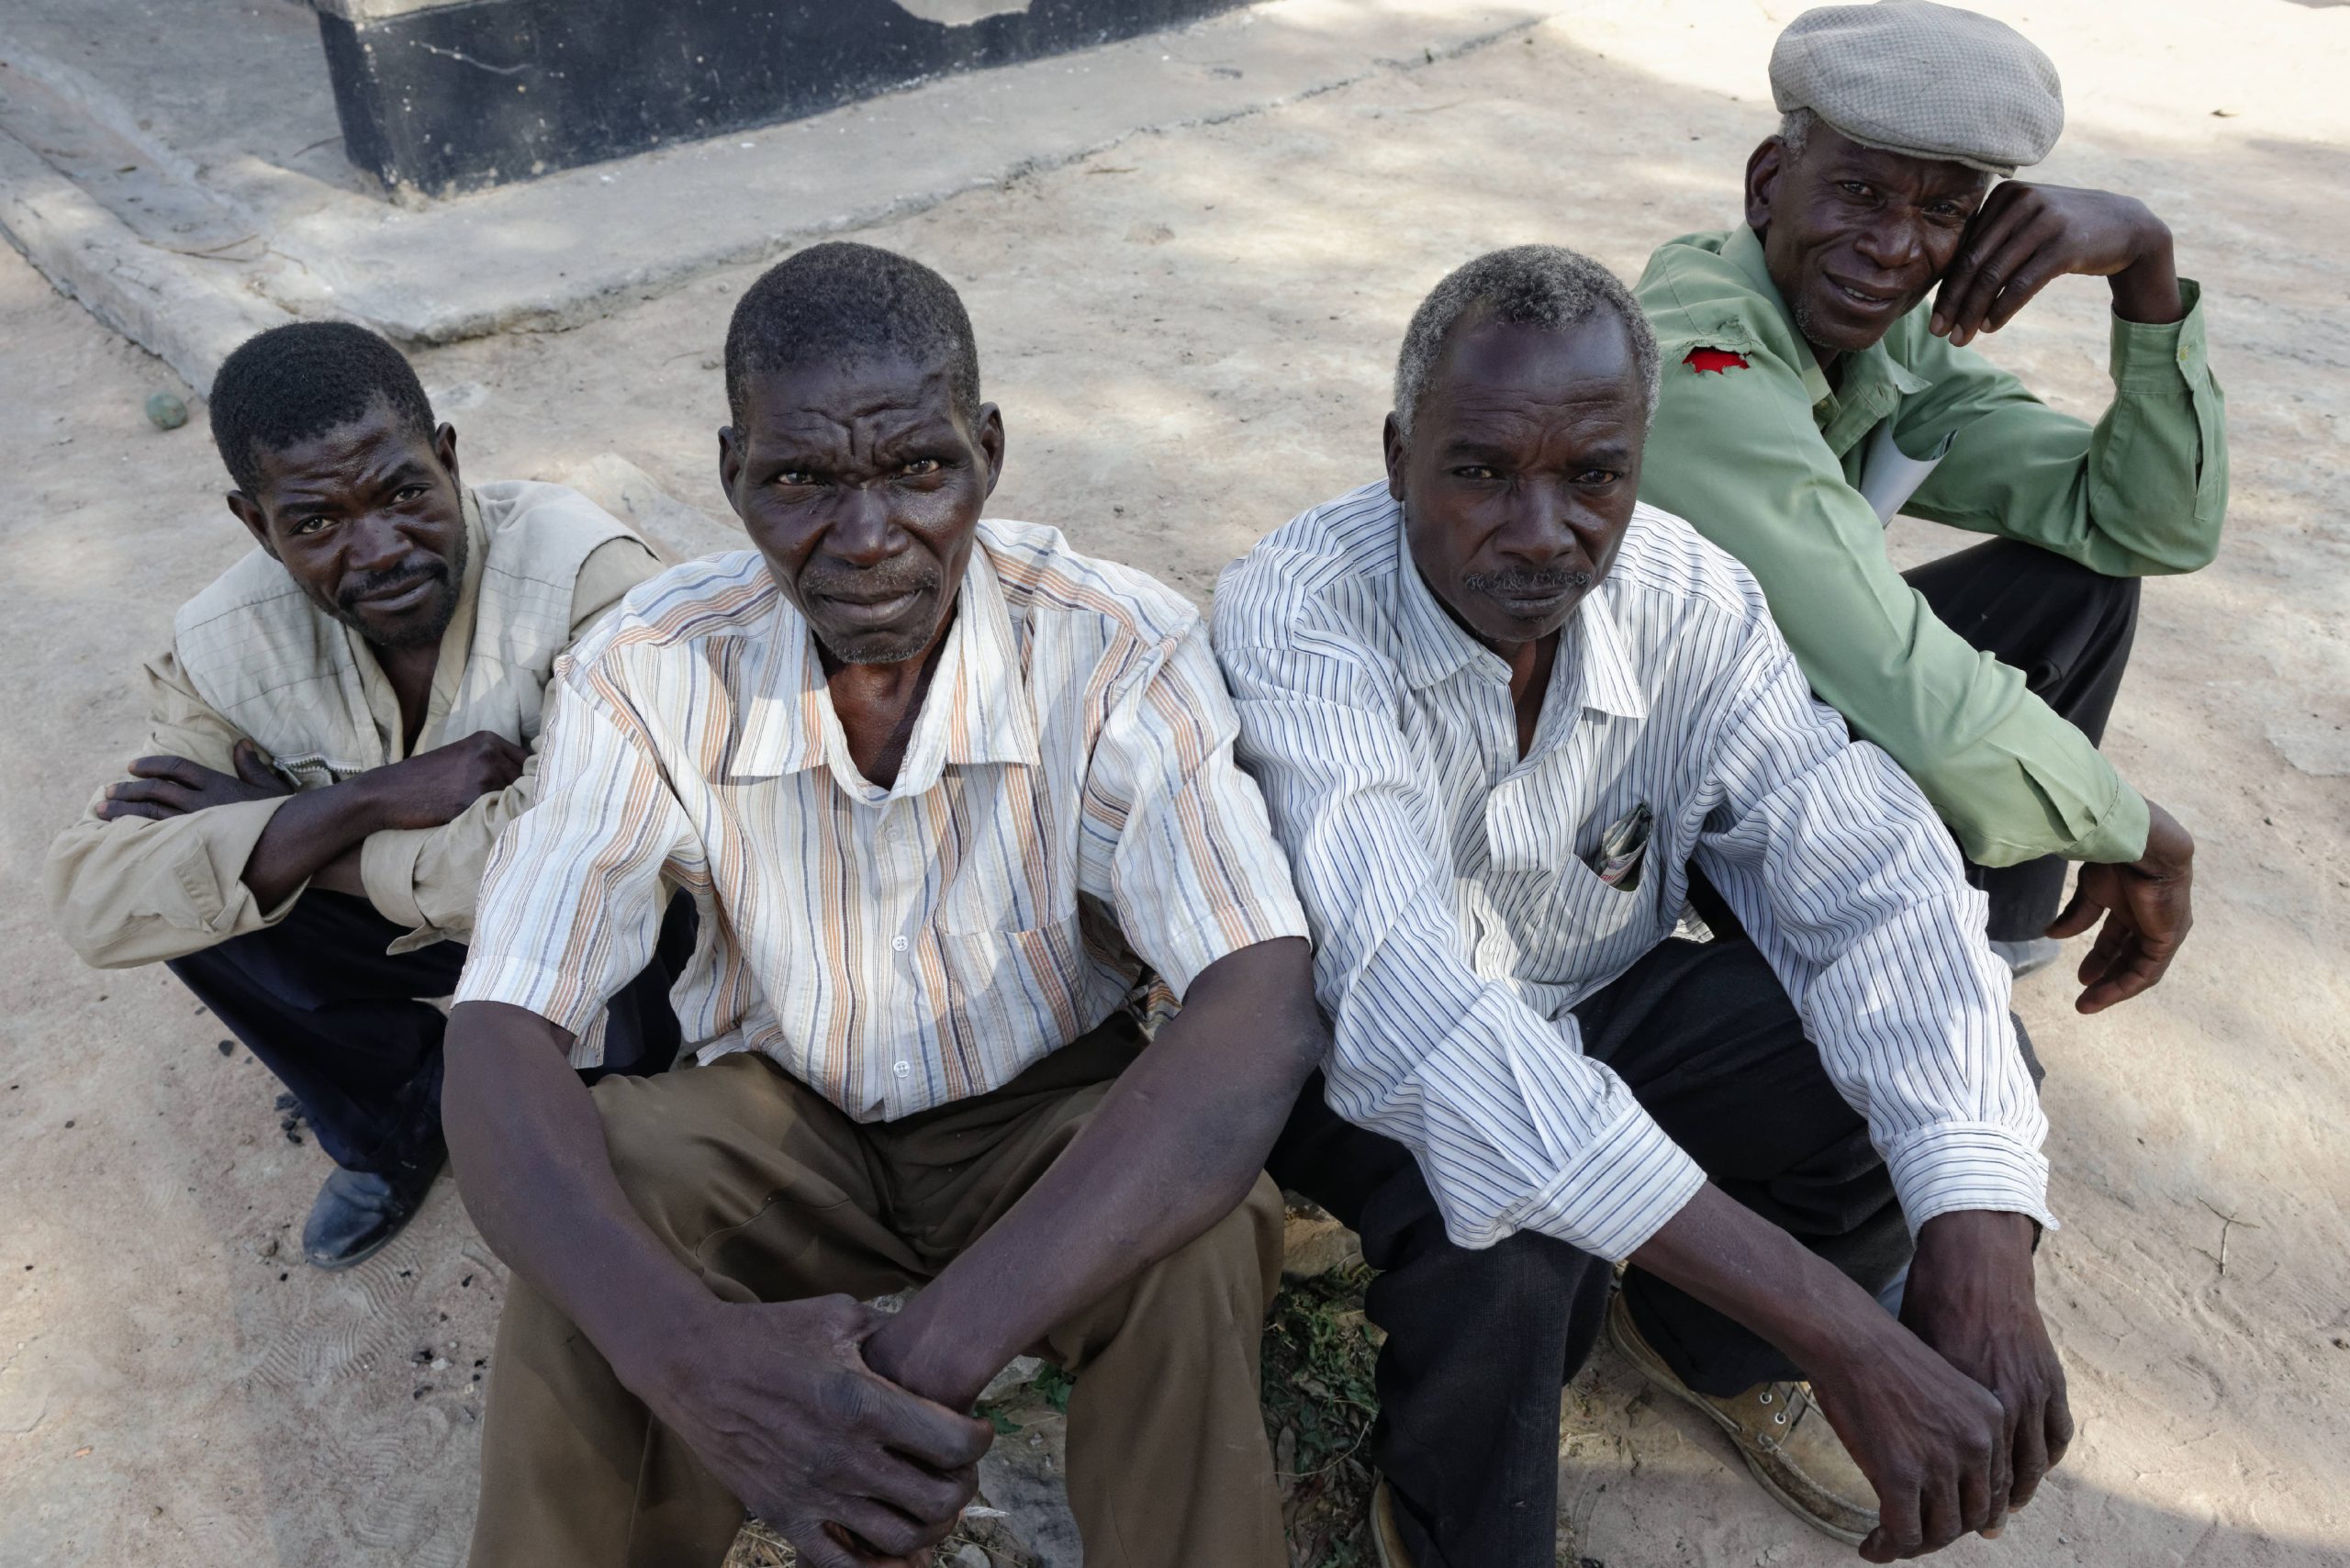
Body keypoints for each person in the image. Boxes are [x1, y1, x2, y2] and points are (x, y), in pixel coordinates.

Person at [441, 241, 1324, 1568]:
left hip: (1046, 1117)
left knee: (1201, 1236)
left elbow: (1257, 999)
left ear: (988, 452)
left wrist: (927, 1356)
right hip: (783, 1123)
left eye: (919, 470)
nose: (866, 539)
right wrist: (692, 1366)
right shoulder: (647, 665)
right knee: (604, 1192)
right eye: (801, 481)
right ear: (732, 471)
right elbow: (499, 1031)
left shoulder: (1114, 641)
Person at [1217, 245, 2069, 1566]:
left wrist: (1981, 1243)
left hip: (1586, 1000)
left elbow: (1873, 883)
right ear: (1398, 458)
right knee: (1508, 1239)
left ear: (1639, 463)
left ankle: (1705, 1343)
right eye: (1481, 471)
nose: (1541, 527)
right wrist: (1848, 1333)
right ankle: (1454, 1532)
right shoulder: (1301, 611)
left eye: (1593, 477)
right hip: (1352, 1065)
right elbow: (1415, 1019)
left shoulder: (1693, 598)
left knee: (1953, 1066)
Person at [45, 321, 686, 1270]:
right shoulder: (225, 639)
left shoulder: (590, 578)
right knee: (196, 905)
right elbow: (96, 900)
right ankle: (395, 1122)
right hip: (421, 912)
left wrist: (284, 830)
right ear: (255, 525)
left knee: (610, 1054)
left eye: (404, 493)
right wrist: (370, 798)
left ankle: (614, 1118)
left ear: (449, 457)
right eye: (315, 523)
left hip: (601, 933)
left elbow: (558, 867)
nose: (380, 549)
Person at [1632, 0, 2225, 1002]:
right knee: (1895, 683)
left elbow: (2141, 523)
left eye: (1942, 213)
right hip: (1633, 770)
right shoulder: (1704, 362)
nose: (1893, 249)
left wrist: (2145, 274)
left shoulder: (1888, 339)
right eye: (1858, 192)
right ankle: (1829, 974)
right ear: (1768, 183)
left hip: (1750, 702)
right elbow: (1880, 659)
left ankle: (1983, 923)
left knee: (2083, 577)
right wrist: (2133, 826)